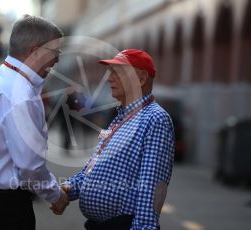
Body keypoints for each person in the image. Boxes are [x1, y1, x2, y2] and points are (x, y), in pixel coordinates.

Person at [0, 15, 69, 230]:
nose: (57, 60)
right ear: (35, 51)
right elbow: (30, 166)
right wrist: (55, 196)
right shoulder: (22, 94)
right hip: (1, 208)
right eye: (55, 52)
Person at [62, 49, 175, 230]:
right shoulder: (122, 116)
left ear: (141, 79)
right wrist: (66, 190)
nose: (109, 78)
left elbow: (152, 185)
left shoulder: (155, 119)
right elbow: (93, 169)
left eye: (118, 73)